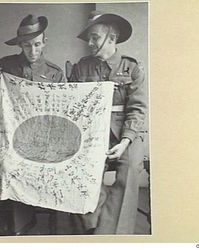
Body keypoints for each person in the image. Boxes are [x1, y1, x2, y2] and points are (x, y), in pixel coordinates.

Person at [0, 14, 65, 235]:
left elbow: (62, 110)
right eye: (27, 45)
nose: (32, 50)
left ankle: (37, 220)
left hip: (42, 138)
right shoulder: (6, 66)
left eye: (37, 44)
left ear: (45, 42)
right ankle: (16, 223)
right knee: (6, 165)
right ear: (20, 44)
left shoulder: (55, 72)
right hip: (9, 136)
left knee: (48, 166)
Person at [69, 11, 147, 234]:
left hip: (125, 132)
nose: (90, 43)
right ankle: (94, 223)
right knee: (81, 168)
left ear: (111, 38)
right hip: (92, 132)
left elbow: (137, 109)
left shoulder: (132, 68)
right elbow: (73, 105)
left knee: (130, 168)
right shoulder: (82, 67)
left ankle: (108, 235)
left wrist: (125, 141)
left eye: (95, 37)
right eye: (90, 38)